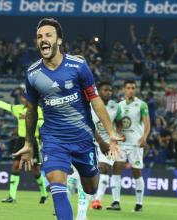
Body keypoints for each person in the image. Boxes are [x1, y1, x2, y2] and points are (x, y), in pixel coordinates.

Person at [13, 18, 121, 220]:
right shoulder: (33, 74)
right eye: (39, 37)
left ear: (59, 40)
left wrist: (111, 134)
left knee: (91, 188)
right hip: (54, 139)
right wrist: (29, 142)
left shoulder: (78, 66)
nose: (43, 40)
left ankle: (82, 176)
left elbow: (96, 101)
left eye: (48, 35)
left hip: (82, 138)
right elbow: (31, 110)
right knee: (56, 183)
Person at [0, 93, 48, 204]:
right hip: (21, 140)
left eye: (24, 98)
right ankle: (12, 197)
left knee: (35, 169)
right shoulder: (18, 109)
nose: (23, 100)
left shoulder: (38, 109)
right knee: (15, 166)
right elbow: (5, 105)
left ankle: (44, 194)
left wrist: (32, 119)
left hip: (33, 141)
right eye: (22, 98)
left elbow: (42, 124)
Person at [106, 80, 150, 212]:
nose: (131, 90)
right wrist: (115, 137)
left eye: (133, 88)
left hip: (135, 143)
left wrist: (144, 138)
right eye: (129, 88)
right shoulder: (118, 105)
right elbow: (115, 124)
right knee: (116, 169)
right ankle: (116, 202)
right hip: (121, 143)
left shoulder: (141, 104)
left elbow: (147, 124)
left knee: (136, 171)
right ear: (124, 90)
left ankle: (139, 204)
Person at [90, 82, 118, 210]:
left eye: (110, 90)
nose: (109, 92)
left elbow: (120, 121)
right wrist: (100, 141)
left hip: (109, 145)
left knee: (105, 168)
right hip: (92, 142)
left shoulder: (116, 106)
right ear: (99, 91)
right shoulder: (91, 106)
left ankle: (97, 200)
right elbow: (88, 125)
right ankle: (91, 197)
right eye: (106, 90)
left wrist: (117, 136)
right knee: (90, 172)